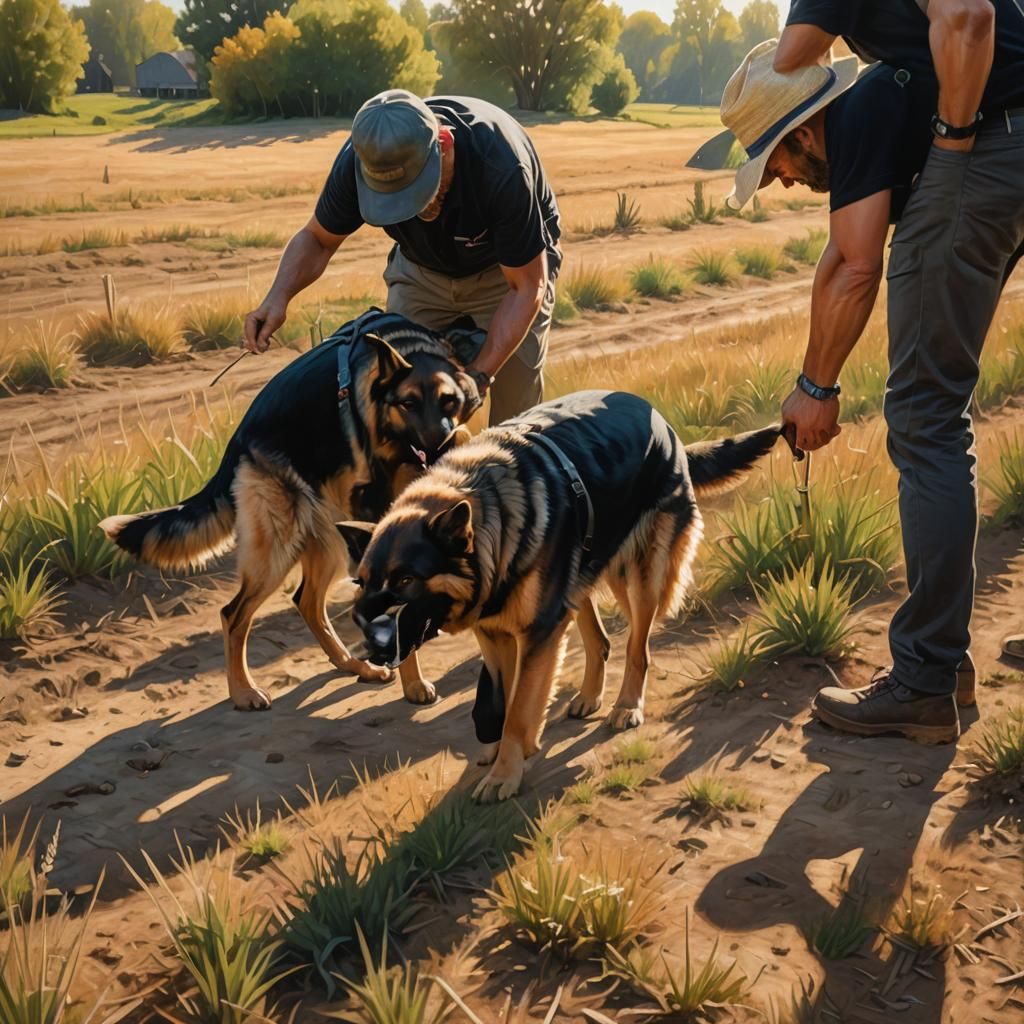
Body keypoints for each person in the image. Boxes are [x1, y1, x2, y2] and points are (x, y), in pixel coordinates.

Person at [721, 1, 1024, 743]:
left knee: (924, 415)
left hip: (989, 151)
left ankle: (924, 680)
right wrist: (810, 379)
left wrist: (819, 390)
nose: (784, 183)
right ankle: (944, 665)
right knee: (934, 411)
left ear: (800, 131)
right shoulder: (875, 101)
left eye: (778, 165)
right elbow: (840, 259)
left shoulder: (856, 121)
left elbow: (858, 270)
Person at [243, 90, 561, 425]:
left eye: (421, 189)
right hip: (421, 269)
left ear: (444, 143)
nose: (417, 207)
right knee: (398, 389)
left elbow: (526, 288)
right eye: (396, 198)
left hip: (507, 273)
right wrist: (277, 297)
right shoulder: (363, 159)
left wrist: (478, 378)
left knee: (515, 400)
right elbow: (318, 240)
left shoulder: (499, 165)